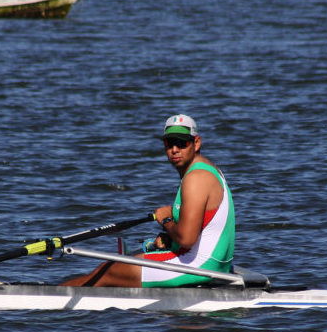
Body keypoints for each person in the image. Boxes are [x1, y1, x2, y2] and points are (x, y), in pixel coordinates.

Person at [62, 114, 235, 287]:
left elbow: (187, 239)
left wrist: (166, 220)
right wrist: (170, 239)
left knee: (106, 271)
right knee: (116, 269)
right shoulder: (209, 170)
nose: (175, 149)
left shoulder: (196, 178)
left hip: (200, 267)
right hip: (215, 265)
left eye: (182, 143)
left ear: (196, 143)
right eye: (169, 143)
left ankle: (52, 299)